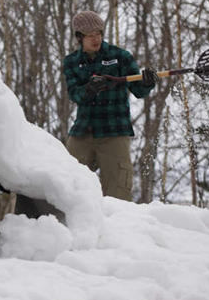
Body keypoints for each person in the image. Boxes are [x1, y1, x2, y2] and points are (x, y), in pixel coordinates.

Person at [63, 11, 158, 201]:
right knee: (66, 183)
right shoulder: (72, 61)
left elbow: (139, 90)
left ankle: (118, 229)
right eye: (90, 35)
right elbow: (74, 94)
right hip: (83, 132)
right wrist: (89, 89)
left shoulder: (120, 56)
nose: (96, 38)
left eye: (98, 33)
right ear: (79, 37)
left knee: (118, 192)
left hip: (114, 132)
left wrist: (148, 82)